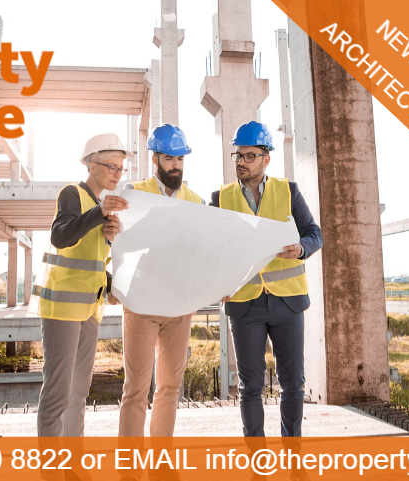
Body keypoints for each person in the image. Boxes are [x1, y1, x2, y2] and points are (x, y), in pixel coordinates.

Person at [210, 121, 322, 480]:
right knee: (251, 386)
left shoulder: (288, 191)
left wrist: (301, 248)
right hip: (245, 304)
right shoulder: (221, 198)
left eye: (249, 155)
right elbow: (211, 249)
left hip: (287, 301)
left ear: (266, 159)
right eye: (237, 155)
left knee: (293, 383)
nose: (241, 161)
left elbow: (314, 234)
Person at [29, 132, 130, 440]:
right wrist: (98, 215)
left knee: (78, 393)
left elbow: (92, 263)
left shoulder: (101, 207)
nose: (116, 174)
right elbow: (61, 236)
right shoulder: (73, 193)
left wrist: (111, 239)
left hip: (89, 309)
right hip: (62, 308)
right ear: (91, 164)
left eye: (120, 168)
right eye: (111, 166)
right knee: (58, 394)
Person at [117, 124, 207, 443]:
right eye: (170, 158)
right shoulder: (135, 193)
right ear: (156, 158)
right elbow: (117, 242)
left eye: (181, 159)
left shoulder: (195, 201)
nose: (177, 165)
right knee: (136, 389)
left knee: (169, 388)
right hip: (142, 303)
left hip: (179, 306)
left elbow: (202, 251)